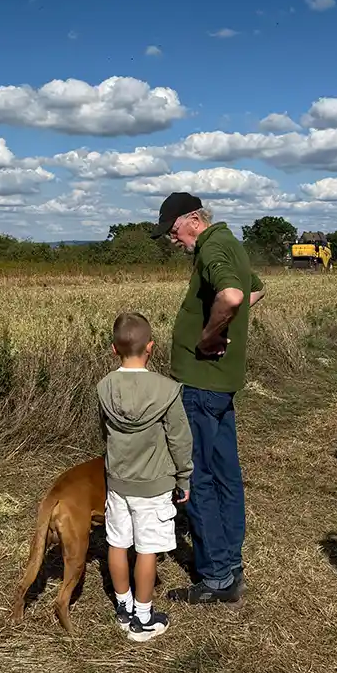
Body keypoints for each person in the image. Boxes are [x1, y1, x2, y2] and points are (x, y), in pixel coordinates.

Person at [150, 192, 265, 605]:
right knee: (225, 475)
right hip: (219, 384)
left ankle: (216, 577)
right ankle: (230, 565)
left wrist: (210, 335)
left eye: (173, 231)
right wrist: (223, 325)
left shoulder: (213, 246)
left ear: (192, 219)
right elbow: (255, 291)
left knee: (197, 478)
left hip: (200, 385)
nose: (172, 240)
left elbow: (234, 296)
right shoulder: (231, 243)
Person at [97, 311, 193, 642]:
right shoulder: (166, 390)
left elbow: (104, 433)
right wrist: (184, 478)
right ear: (151, 347)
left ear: (114, 350)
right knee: (147, 549)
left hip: (118, 483)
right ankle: (143, 616)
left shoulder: (104, 387)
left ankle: (122, 609)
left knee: (117, 543)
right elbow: (180, 440)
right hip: (153, 486)